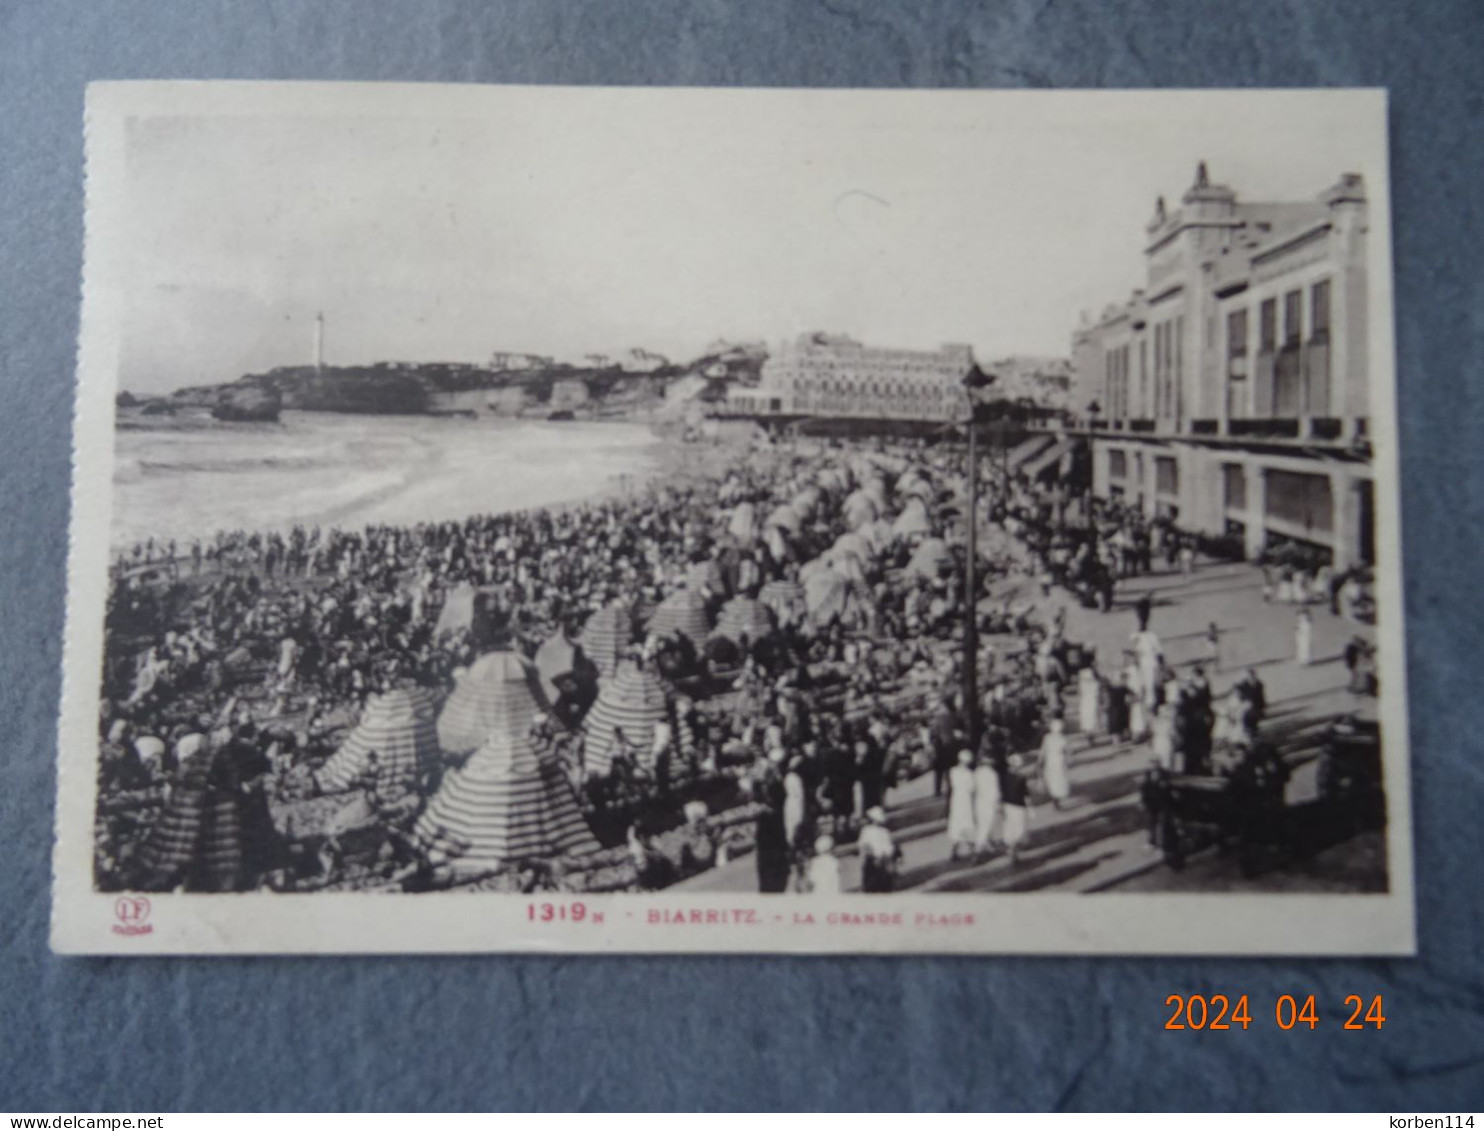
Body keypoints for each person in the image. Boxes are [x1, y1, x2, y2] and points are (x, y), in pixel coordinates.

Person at [858, 806, 901, 893]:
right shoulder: (871, 831)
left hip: (879, 861)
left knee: (879, 886)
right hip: (877, 861)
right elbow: (865, 846)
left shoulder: (881, 831)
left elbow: (864, 846)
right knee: (877, 886)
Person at [999, 753, 1031, 865]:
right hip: (1019, 807)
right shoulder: (1021, 778)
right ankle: (1013, 851)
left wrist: (1000, 806)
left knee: (1010, 829)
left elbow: (1001, 793)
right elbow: (1026, 795)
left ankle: (1012, 850)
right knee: (1018, 830)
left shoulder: (1003, 777)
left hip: (1008, 806)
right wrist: (1030, 809)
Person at [946, 749, 977, 861]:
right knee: (968, 823)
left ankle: (954, 851)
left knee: (956, 824)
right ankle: (973, 852)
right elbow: (972, 789)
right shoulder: (969, 774)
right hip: (966, 801)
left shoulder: (953, 771)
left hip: (956, 800)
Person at [1040, 717, 1070, 809]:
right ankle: (1057, 800)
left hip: (1050, 761)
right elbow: (1067, 751)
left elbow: (1043, 751)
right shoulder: (1062, 739)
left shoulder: (1047, 737)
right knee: (1059, 780)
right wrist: (1067, 761)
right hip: (1059, 761)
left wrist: (1040, 761)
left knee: (1052, 780)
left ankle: (1054, 799)